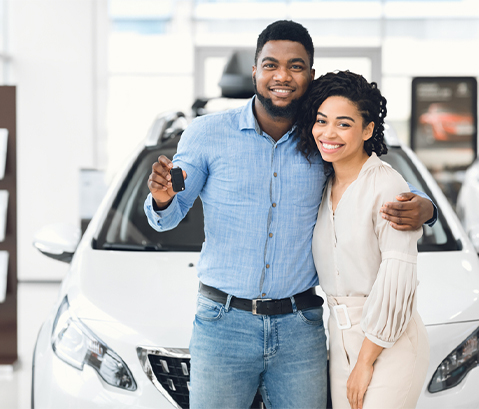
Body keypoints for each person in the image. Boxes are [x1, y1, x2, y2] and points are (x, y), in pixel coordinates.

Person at [144, 20, 435, 409]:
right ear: (255, 70)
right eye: (271, 65)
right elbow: (169, 212)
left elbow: (369, 176)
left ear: (310, 75)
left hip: (301, 327)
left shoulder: (321, 138)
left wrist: (425, 206)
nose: (282, 75)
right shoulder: (206, 134)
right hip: (222, 325)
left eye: (296, 66)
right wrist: (163, 198)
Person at [298, 70, 429, 409]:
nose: (328, 133)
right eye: (321, 121)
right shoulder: (324, 186)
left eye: (343, 124)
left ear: (367, 129)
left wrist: (366, 360)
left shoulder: (386, 185)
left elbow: (397, 278)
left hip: (388, 341)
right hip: (338, 338)